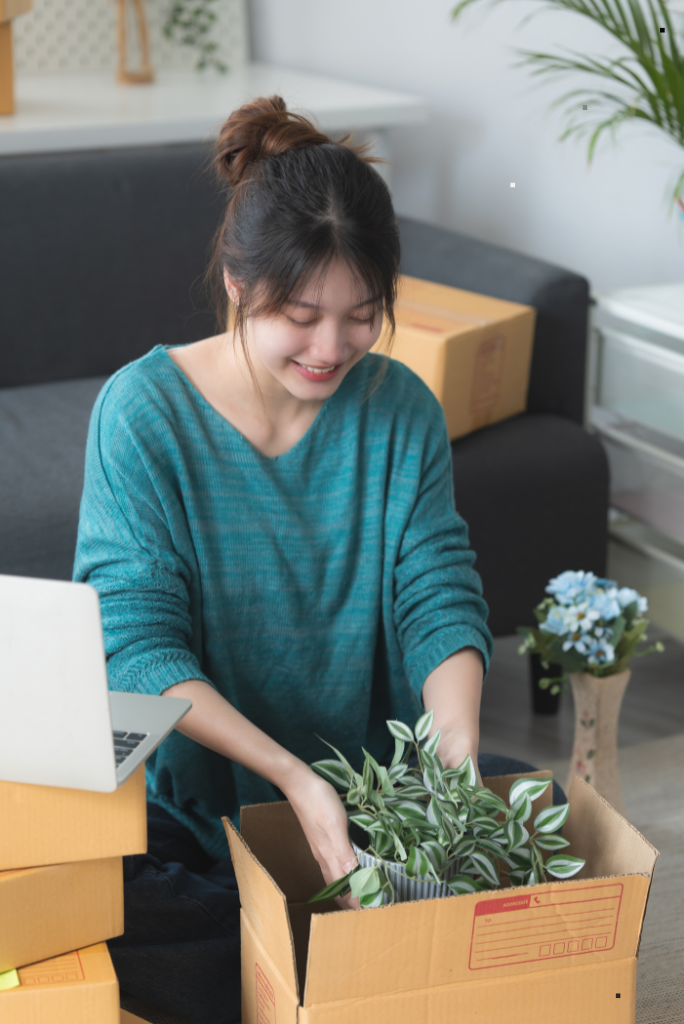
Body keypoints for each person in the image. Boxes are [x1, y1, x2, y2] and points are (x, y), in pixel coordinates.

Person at [73, 95, 546, 1024]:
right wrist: (294, 779)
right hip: (199, 813)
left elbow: (437, 591)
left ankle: (301, 956)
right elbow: (133, 648)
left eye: (363, 316)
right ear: (241, 286)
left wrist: (450, 753)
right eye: (301, 315)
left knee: (540, 804)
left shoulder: (400, 408)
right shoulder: (143, 413)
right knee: (108, 906)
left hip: (377, 795)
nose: (333, 349)